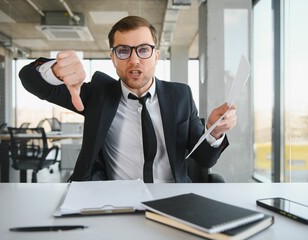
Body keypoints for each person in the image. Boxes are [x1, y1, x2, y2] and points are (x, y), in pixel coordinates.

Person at [19, 16, 237, 183]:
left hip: (173, 198)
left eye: (143, 50)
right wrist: (55, 71)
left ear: (156, 56)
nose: (134, 60)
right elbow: (32, 82)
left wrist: (214, 131)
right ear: (113, 57)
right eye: (123, 51)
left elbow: (205, 160)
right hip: (114, 201)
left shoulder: (180, 96)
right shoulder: (97, 94)